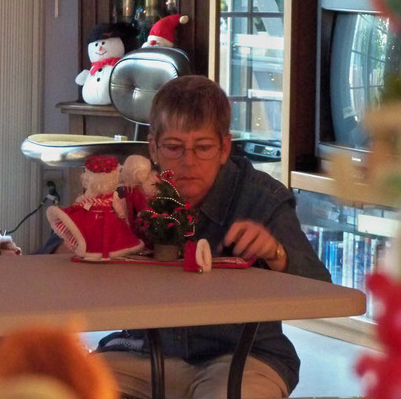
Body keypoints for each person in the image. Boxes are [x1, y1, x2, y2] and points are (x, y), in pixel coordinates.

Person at [97, 75, 331, 399]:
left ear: (224, 148)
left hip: (244, 357)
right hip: (142, 352)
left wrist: (276, 253)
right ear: (153, 148)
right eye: (174, 147)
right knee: (52, 385)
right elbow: (55, 259)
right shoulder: (130, 193)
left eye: (204, 147)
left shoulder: (262, 198)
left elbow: (322, 288)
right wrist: (83, 237)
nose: (188, 161)